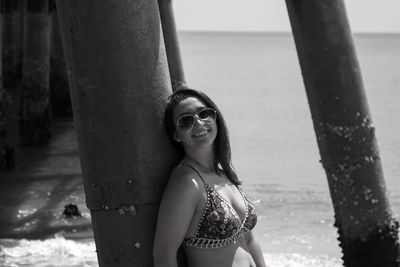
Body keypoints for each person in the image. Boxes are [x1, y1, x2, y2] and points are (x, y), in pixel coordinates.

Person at [153, 89, 267, 267]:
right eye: (186, 120)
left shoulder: (223, 174)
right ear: (176, 134)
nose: (198, 122)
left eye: (204, 113)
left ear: (215, 117)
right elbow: (163, 254)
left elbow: (250, 241)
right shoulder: (187, 182)